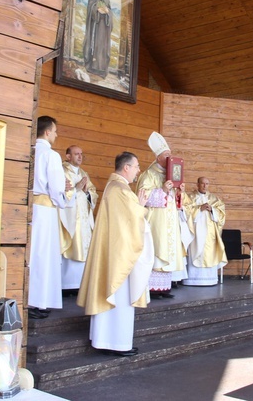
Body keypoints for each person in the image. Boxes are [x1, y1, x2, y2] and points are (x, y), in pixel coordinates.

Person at [77, 152, 154, 357]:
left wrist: (137, 206)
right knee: (120, 296)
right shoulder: (121, 190)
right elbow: (131, 221)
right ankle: (117, 342)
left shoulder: (116, 187)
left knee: (113, 296)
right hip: (120, 255)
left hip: (114, 250)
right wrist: (142, 206)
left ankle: (105, 339)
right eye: (136, 166)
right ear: (126, 167)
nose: (139, 170)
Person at [136, 132, 190, 299]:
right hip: (155, 221)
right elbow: (142, 198)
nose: (169, 158)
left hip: (170, 220)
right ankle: (150, 288)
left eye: (170, 154)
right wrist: (163, 191)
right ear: (158, 157)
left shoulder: (172, 174)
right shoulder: (149, 174)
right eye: (166, 155)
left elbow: (177, 201)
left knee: (168, 249)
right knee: (157, 249)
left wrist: (179, 193)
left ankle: (164, 288)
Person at [28, 116, 72, 319]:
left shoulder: (29, 150)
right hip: (45, 210)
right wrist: (64, 195)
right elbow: (55, 188)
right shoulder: (50, 155)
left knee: (33, 253)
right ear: (47, 132)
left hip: (31, 207)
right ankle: (39, 301)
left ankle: (28, 297)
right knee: (44, 255)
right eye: (54, 131)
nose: (56, 134)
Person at [60, 145, 98, 295]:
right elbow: (60, 192)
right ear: (68, 156)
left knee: (84, 246)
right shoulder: (62, 171)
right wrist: (76, 189)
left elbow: (93, 192)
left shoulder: (84, 173)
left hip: (84, 218)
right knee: (72, 245)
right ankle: (66, 285)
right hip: (70, 217)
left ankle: (80, 284)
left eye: (81, 154)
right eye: (76, 154)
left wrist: (87, 192)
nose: (80, 157)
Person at [182, 177, 227, 286]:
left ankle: (209, 279)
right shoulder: (190, 197)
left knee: (209, 252)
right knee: (196, 251)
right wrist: (199, 209)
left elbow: (221, 214)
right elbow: (185, 212)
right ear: (197, 184)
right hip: (195, 232)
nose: (205, 186)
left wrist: (212, 210)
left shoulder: (214, 198)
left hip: (210, 233)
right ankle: (193, 280)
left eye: (207, 184)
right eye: (202, 183)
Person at [83, 0, 112, 79]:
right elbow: (90, 5)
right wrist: (96, 9)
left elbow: (110, 11)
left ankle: (101, 69)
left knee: (102, 47)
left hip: (104, 27)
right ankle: (92, 67)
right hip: (95, 25)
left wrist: (108, 11)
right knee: (94, 45)